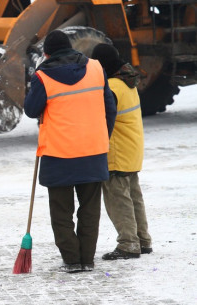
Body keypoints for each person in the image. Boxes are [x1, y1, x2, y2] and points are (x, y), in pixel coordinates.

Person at [24, 30, 117, 272]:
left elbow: (31, 109)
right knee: (90, 209)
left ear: (46, 54)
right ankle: (87, 258)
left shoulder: (42, 76)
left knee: (61, 212)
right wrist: (101, 137)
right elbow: (110, 107)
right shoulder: (97, 68)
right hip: (93, 151)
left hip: (59, 153)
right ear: (73, 48)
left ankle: (72, 260)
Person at [91, 43, 153, 260]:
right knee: (134, 197)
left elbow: (99, 118)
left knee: (119, 200)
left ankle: (128, 244)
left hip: (116, 152)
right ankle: (143, 240)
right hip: (132, 149)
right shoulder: (128, 82)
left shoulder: (111, 87)